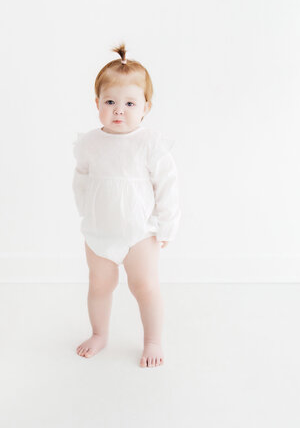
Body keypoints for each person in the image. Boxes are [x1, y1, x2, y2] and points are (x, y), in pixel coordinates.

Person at [72, 43, 181, 368]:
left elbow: (168, 186)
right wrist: (86, 213)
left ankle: (152, 340)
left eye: (130, 103)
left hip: (139, 234)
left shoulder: (149, 144)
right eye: (110, 102)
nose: (119, 110)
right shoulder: (90, 143)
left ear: (146, 107)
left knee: (145, 286)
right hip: (99, 233)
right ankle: (99, 333)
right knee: (99, 287)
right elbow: (81, 180)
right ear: (97, 104)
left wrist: (167, 225)